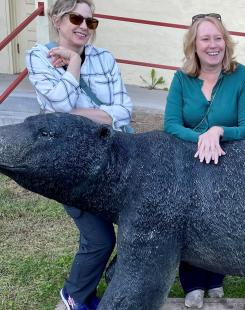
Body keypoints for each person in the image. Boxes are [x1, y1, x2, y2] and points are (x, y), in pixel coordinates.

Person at [25, 0, 133, 309]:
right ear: (57, 20)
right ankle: (74, 297)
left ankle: (116, 280)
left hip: (114, 158)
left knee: (138, 226)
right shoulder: (39, 56)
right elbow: (58, 105)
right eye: (76, 18)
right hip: (70, 166)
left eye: (91, 21)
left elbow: (124, 109)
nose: (84, 25)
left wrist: (76, 114)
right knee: (100, 239)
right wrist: (73, 63)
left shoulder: (104, 59)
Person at [164, 13, 245, 308]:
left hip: (229, 160)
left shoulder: (242, 75)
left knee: (219, 221)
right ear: (194, 44)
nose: (213, 45)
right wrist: (201, 139)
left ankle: (216, 279)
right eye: (205, 39)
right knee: (189, 221)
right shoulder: (182, 78)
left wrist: (218, 132)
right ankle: (192, 283)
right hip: (190, 162)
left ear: (226, 43)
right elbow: (171, 124)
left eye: (218, 38)